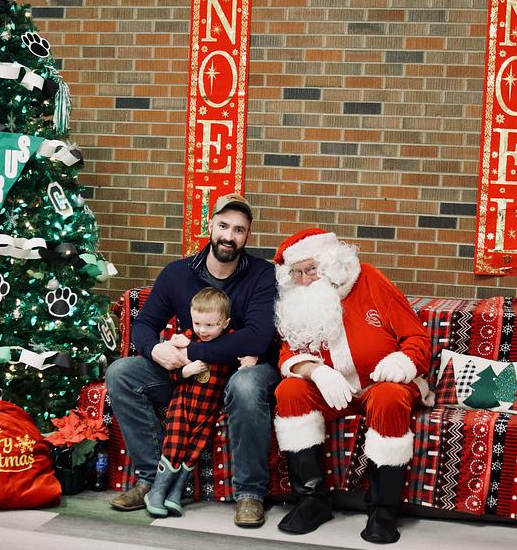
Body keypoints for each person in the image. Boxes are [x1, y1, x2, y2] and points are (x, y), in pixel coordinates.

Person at [105, 193, 278, 528]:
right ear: (210, 225)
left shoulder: (262, 275)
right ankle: (151, 479)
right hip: (191, 375)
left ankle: (250, 493)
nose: (229, 236)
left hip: (245, 370)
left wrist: (192, 352)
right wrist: (155, 349)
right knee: (122, 373)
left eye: (239, 230)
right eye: (223, 225)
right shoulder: (178, 273)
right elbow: (144, 324)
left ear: (247, 236)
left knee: (245, 387)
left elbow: (256, 338)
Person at [271, 228, 433, 544]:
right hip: (333, 391)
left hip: (381, 383)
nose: (305, 279)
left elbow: (416, 337)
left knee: (388, 397)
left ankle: (383, 511)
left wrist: (401, 363)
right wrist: (316, 371)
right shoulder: (297, 302)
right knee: (289, 391)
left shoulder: (369, 279)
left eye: (311, 269)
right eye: (297, 273)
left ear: (329, 263)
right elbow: (288, 355)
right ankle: (311, 501)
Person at [143, 286, 258, 518]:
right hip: (183, 403)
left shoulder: (231, 342)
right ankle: (157, 490)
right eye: (197, 323)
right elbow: (169, 371)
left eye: (210, 325)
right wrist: (185, 370)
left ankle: (175, 492)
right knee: (175, 443)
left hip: (208, 408)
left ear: (224, 323)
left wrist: (252, 357)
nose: (202, 330)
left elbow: (247, 352)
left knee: (195, 448)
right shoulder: (186, 339)